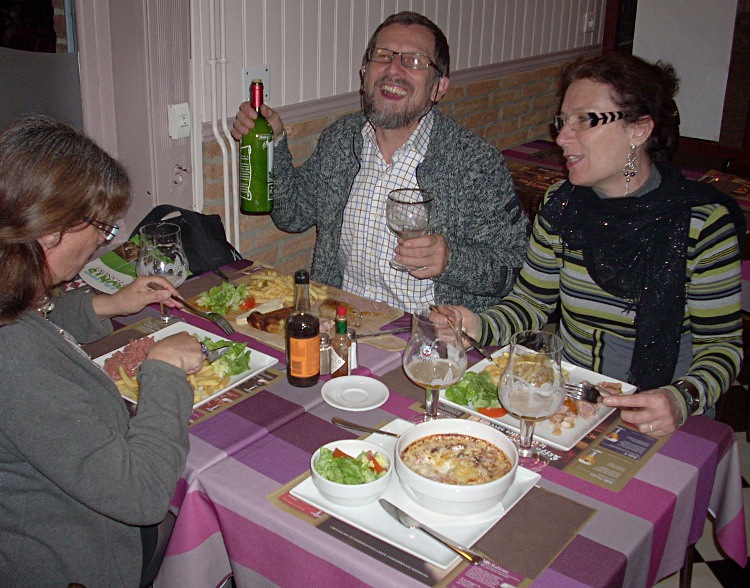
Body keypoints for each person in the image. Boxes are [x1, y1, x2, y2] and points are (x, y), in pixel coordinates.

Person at [447, 53, 745, 438]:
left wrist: (681, 397)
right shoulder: (561, 204)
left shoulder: (700, 222)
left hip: (663, 413)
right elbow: (531, 303)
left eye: (584, 120)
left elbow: (722, 347)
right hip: (574, 403)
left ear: (639, 130)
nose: (561, 137)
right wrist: (478, 324)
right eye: (561, 122)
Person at [0, 115, 204, 587]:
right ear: (50, 230)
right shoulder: (15, 361)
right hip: (73, 561)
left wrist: (108, 303)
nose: (100, 243)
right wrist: (163, 371)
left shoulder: (13, 300)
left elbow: (36, 321)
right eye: (102, 228)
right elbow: (143, 495)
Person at [231, 11, 529, 313]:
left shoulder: (473, 162)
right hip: (342, 324)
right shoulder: (340, 140)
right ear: (364, 73)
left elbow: (517, 266)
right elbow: (292, 215)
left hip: (427, 338)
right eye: (383, 56)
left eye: (414, 61)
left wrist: (451, 261)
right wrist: (275, 143)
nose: (393, 69)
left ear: (438, 87)